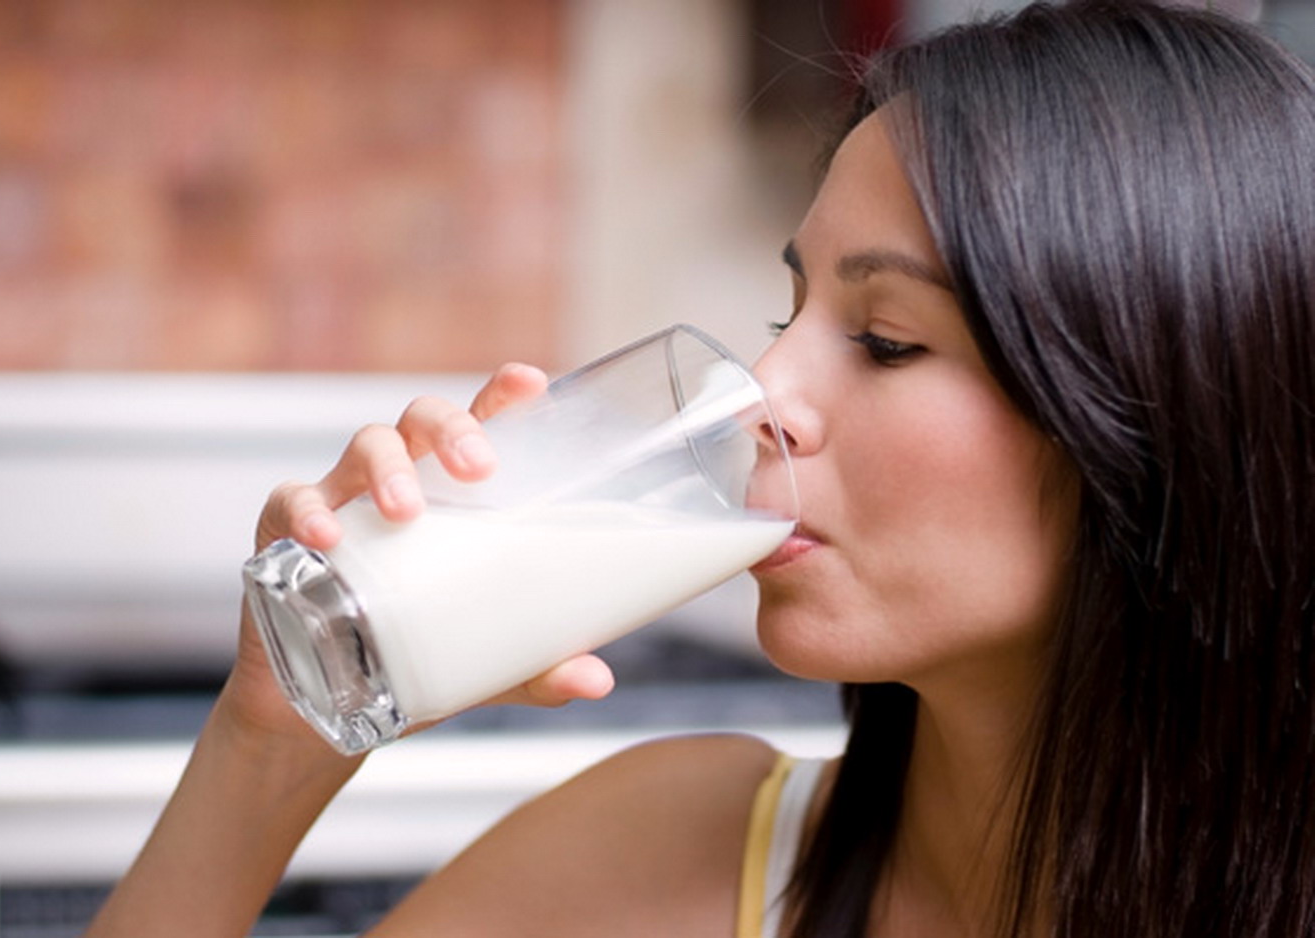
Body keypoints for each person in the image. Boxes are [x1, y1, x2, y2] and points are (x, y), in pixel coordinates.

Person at [84, 1, 1315, 935]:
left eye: (888, 340)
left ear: (1162, 422)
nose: (765, 396)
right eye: (792, 311)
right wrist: (277, 738)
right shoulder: (677, 852)